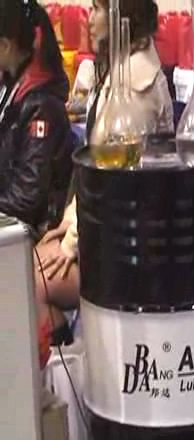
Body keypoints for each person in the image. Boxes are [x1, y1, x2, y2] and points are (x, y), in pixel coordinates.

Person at [35, 0, 174, 334]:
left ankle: (63, 352)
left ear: (121, 16)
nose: (90, 18)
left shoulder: (135, 87)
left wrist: (70, 243)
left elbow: (114, 184)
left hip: (130, 247)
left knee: (30, 281)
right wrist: (69, 224)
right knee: (25, 264)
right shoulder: (120, 69)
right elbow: (95, 171)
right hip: (107, 230)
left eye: (97, 9)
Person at [0, 0, 74, 232]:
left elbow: (27, 199)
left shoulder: (41, 106)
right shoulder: (11, 87)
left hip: (32, 231)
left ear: (5, 46)